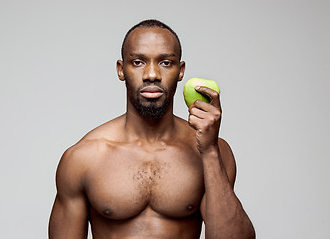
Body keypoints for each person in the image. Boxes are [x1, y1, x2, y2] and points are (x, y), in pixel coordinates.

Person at [49, 19, 255, 239]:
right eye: (138, 62)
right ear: (121, 70)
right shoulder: (83, 158)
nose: (152, 74)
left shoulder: (215, 151)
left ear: (180, 71)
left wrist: (210, 152)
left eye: (165, 62)